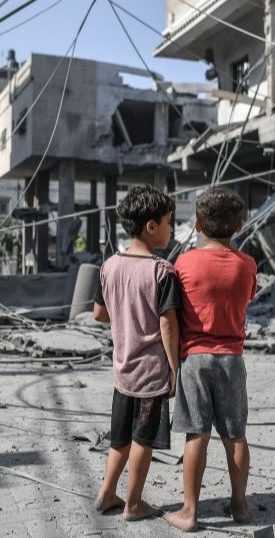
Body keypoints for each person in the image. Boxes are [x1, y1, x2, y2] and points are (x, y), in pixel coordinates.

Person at [164, 187, 257, 532]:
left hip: (195, 358)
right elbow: (247, 298)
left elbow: (173, 312)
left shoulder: (184, 262)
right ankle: (240, 505)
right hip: (232, 357)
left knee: (196, 436)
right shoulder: (247, 264)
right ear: (240, 226)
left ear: (198, 225)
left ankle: (189, 512)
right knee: (236, 435)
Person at [92, 185, 180, 521]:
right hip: (151, 372)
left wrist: (126, 314)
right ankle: (133, 504)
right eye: (169, 222)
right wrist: (175, 370)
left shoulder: (109, 266)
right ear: (152, 226)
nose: (172, 229)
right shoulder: (162, 271)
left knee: (120, 438)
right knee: (143, 439)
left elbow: (99, 314)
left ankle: (107, 493)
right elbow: (168, 327)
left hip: (122, 370)